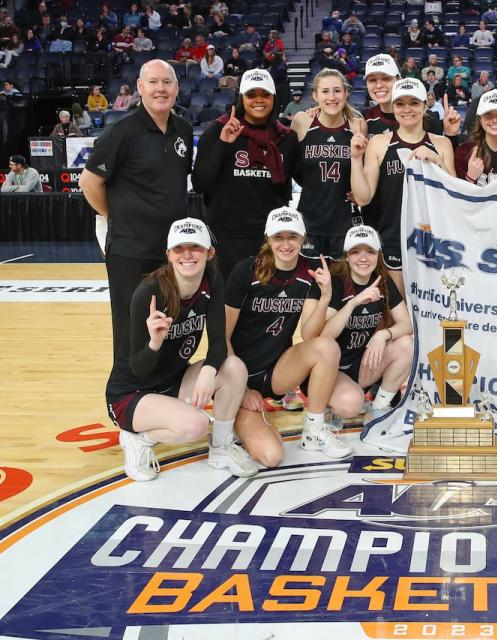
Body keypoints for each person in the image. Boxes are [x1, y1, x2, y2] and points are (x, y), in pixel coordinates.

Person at [105, 218, 257, 482]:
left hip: (172, 382)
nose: (187, 255)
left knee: (234, 368)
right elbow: (137, 368)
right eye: (179, 248)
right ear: (168, 254)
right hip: (130, 394)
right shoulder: (149, 294)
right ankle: (138, 438)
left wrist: (210, 370)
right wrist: (154, 342)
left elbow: (219, 341)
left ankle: (221, 449)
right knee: (195, 425)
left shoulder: (212, 279)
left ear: (210, 252)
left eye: (195, 247)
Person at [79, 60, 195, 368]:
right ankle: (128, 396)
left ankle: (166, 389)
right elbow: (89, 182)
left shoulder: (183, 129)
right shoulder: (122, 131)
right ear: (140, 88)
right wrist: (115, 217)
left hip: (170, 251)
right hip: (130, 250)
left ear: (177, 88)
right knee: (131, 325)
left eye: (167, 82)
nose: (161, 88)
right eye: (153, 82)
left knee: (170, 323)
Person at [226, 208, 353, 464]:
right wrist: (240, 389)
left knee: (326, 347)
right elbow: (221, 336)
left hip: (277, 372)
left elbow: (309, 334)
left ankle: (314, 431)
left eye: (292, 237)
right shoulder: (246, 271)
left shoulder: (309, 273)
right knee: (271, 457)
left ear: (303, 238)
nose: (285, 244)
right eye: (278, 237)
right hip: (238, 375)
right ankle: (232, 421)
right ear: (268, 239)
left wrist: (325, 296)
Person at [351, 78, 456, 289]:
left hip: (433, 240)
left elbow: (454, 197)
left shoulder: (441, 143)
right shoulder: (379, 143)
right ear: (394, 107)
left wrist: (437, 160)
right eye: (400, 103)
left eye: (414, 103)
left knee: (430, 313)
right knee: (399, 314)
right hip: (393, 238)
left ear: (425, 106)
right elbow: (363, 197)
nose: (407, 109)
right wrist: (355, 159)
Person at [193, 68, 298, 279]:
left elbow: (303, 178)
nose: (258, 100)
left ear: (274, 98)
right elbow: (199, 184)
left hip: (270, 238)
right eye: (251, 95)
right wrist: (223, 144)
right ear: (241, 98)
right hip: (226, 237)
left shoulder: (286, 138)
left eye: (264, 94)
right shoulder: (217, 130)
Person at [321, 225, 415, 424]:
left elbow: (407, 325)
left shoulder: (382, 281)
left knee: (407, 344)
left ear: (378, 255)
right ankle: (328, 403)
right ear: (346, 256)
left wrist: (383, 335)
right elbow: (324, 336)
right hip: (329, 369)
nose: (363, 258)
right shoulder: (337, 282)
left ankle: (379, 407)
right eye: (356, 251)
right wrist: (353, 302)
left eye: (370, 251)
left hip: (360, 364)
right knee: (351, 405)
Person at [291, 69, 366, 261]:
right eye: (325, 91)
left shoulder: (358, 125)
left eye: (337, 91)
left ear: (346, 93)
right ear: (315, 95)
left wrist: (359, 193)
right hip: (309, 220)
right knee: (312, 286)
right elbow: (293, 166)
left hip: (345, 221)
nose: (331, 97)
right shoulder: (302, 121)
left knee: (344, 286)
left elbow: (364, 170)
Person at [363, 54, 457, 138]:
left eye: (386, 78)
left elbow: (444, 155)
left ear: (399, 79)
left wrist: (451, 136)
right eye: (372, 80)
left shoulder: (426, 117)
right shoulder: (365, 118)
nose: (379, 85)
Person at [455, 89, 497, 186]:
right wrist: (470, 178)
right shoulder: (463, 152)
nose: (495, 120)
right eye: (488, 114)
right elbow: (456, 199)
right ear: (480, 118)